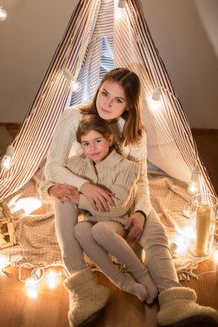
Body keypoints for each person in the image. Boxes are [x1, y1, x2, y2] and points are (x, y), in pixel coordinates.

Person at [42, 68, 218, 327]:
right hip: (83, 193)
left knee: (153, 230)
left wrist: (140, 213)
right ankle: (82, 288)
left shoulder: (135, 133)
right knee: (62, 195)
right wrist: (84, 187)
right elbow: (53, 166)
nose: (107, 103)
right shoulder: (72, 118)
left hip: (123, 196)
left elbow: (142, 182)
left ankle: (174, 298)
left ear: (128, 105)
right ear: (98, 88)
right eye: (105, 93)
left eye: (118, 100)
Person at [41, 114, 158, 306]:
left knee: (100, 229)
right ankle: (123, 282)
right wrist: (50, 189)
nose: (92, 149)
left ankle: (142, 275)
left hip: (119, 222)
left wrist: (79, 198)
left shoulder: (128, 167)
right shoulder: (76, 164)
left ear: (110, 139)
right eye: (86, 144)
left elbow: (118, 208)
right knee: (80, 229)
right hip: (94, 219)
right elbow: (46, 182)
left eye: (97, 141)